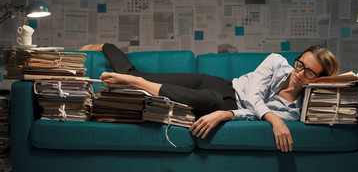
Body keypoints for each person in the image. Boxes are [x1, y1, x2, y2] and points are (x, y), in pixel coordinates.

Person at [79, 43, 339, 152]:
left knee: (211, 102)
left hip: (224, 103)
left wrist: (228, 114)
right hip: (221, 85)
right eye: (300, 64)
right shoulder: (276, 62)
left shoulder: (296, 110)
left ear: (319, 80)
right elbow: (253, 96)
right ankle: (107, 48)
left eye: (309, 73)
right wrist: (272, 118)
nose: (299, 73)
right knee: (138, 74)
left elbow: (248, 112)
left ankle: (139, 84)